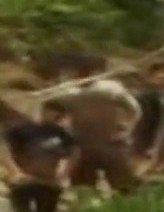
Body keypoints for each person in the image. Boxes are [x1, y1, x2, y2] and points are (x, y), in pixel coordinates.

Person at [54, 57, 139, 191]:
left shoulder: (111, 89)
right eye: (78, 73)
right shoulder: (67, 92)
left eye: (86, 73)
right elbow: (53, 112)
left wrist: (127, 130)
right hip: (83, 144)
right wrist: (65, 133)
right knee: (83, 188)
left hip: (111, 142)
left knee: (124, 185)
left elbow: (134, 109)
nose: (82, 76)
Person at [3, 100, 75, 212]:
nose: (55, 117)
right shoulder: (25, 129)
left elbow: (75, 152)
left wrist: (64, 174)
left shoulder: (61, 133)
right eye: (53, 113)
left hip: (49, 181)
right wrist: (14, 171)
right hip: (25, 178)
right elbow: (3, 148)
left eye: (58, 115)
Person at [132, 62, 164, 155]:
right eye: (159, 77)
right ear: (149, 77)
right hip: (145, 138)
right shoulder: (142, 96)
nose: (162, 79)